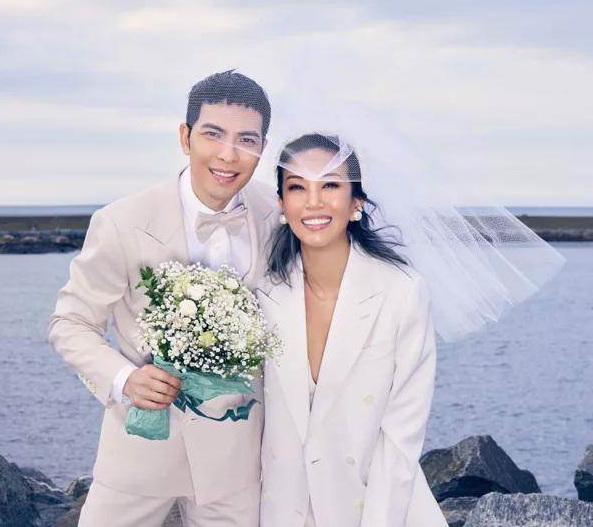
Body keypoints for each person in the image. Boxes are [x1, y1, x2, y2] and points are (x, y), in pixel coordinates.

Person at [48, 70, 279, 527]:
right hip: (139, 452)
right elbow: (70, 323)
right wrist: (124, 379)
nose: (228, 154)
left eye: (246, 140)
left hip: (237, 465)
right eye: (213, 134)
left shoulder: (277, 215)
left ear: (262, 148)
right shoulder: (122, 221)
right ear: (185, 137)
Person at [256, 133, 449, 526]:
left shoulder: (401, 292)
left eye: (330, 185)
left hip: (375, 507)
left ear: (356, 201)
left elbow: (402, 434)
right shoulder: (263, 291)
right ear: (281, 203)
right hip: (282, 509)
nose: (313, 202)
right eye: (297, 187)